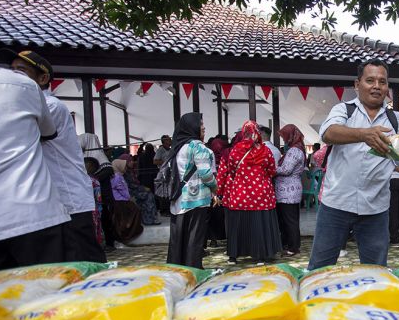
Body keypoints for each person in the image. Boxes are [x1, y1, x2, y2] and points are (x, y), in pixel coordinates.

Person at [0, 48, 106, 263]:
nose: (13, 77)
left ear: (43, 78)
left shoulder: (50, 106)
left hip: (68, 201)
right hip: (50, 203)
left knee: (83, 265)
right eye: (11, 71)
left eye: (21, 71)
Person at [0, 26, 70, 273]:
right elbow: (46, 131)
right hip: (32, 209)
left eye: (22, 69)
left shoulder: (44, 98)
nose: (16, 72)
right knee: (47, 296)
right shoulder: (21, 86)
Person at [308, 59, 399, 270]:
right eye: (370, 80)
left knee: (376, 270)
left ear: (387, 87)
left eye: (382, 81)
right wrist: (364, 135)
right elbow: (328, 133)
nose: (376, 86)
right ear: (357, 84)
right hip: (336, 204)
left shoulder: (396, 120)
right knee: (320, 267)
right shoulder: (344, 110)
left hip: (376, 208)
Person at [220, 121, 281, 264]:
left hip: (240, 193)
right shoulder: (265, 150)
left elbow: (232, 169)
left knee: (237, 225)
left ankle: (233, 256)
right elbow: (272, 170)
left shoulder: (235, 149)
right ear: (257, 133)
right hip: (261, 194)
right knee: (258, 224)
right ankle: (260, 256)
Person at [166, 113, 217, 269]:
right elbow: (206, 174)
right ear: (192, 127)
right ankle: (193, 270)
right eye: (200, 125)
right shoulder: (198, 146)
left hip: (179, 200)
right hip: (196, 199)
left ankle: (176, 270)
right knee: (194, 239)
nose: (204, 128)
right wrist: (215, 188)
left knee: (178, 239)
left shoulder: (177, 147)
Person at [80, 132, 117, 251]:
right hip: (95, 198)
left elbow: (106, 173)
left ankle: (110, 244)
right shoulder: (88, 155)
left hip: (103, 197)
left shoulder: (99, 157)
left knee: (105, 220)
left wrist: (91, 178)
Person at [276, 124, 307, 256]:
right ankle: (290, 245)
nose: (283, 139)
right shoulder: (297, 149)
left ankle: (293, 247)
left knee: (290, 220)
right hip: (289, 190)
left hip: (288, 190)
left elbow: (286, 170)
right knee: (289, 219)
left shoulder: (294, 151)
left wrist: (269, 168)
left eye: (284, 136)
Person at [118, 153, 161, 225]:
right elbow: (131, 185)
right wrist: (143, 188)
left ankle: (151, 218)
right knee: (148, 196)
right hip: (130, 193)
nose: (132, 162)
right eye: (130, 161)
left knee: (149, 194)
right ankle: (148, 219)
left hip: (133, 191)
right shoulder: (124, 173)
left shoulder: (130, 171)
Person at [110, 159, 143, 244]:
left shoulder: (118, 175)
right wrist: (129, 198)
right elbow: (122, 190)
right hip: (121, 201)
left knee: (122, 219)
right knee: (130, 215)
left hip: (121, 200)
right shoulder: (117, 177)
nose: (125, 167)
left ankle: (125, 235)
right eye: (124, 165)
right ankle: (126, 235)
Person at [84, 157, 105, 248]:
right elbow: (99, 199)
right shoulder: (93, 181)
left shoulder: (92, 181)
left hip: (90, 210)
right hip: (91, 209)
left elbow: (98, 199)